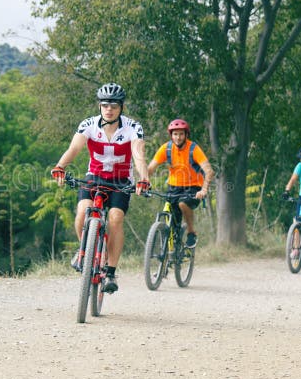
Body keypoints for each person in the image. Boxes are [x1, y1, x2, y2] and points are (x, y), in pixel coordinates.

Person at [51, 82, 150, 293]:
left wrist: (143, 178)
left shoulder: (133, 127)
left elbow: (139, 155)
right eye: (105, 105)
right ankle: (84, 251)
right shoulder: (88, 124)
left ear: (121, 107)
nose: (109, 109)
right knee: (82, 212)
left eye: (114, 105)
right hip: (94, 177)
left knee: (115, 218)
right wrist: (60, 166)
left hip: (121, 180)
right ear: (100, 106)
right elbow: (74, 148)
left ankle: (111, 271)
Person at [147, 118, 215, 248]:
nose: (178, 137)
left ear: (186, 135)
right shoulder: (166, 149)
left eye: (181, 134)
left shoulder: (193, 149)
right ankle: (174, 244)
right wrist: (143, 181)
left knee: (183, 204)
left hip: (194, 187)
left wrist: (204, 190)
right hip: (174, 187)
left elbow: (209, 171)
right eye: (175, 134)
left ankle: (191, 232)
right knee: (172, 215)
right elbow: (150, 168)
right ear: (171, 135)